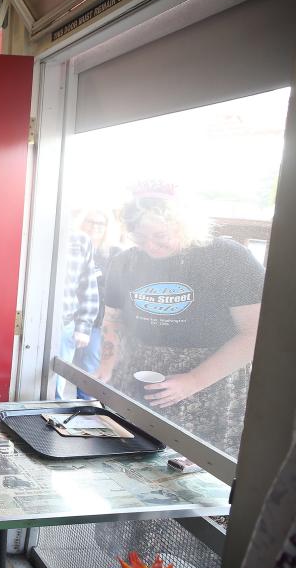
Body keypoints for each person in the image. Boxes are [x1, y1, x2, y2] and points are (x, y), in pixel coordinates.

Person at [93, 183, 264, 455]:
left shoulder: (227, 257)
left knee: (198, 472)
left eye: (159, 235)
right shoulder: (125, 261)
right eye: (139, 237)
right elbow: (113, 320)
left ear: (184, 223)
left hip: (210, 381)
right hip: (137, 375)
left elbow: (256, 334)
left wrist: (194, 380)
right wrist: (106, 366)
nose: (150, 246)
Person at [55, 226, 100, 399]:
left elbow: (87, 285)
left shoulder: (80, 239)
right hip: (29, 321)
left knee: (55, 385)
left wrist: (83, 326)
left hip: (64, 323)